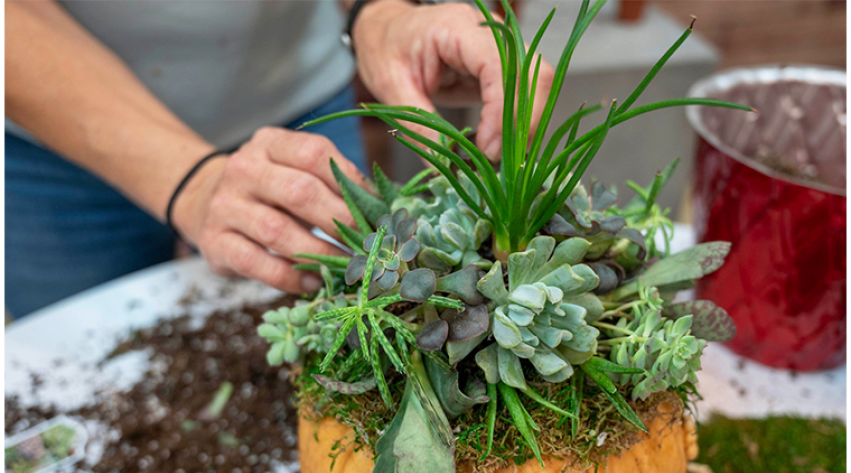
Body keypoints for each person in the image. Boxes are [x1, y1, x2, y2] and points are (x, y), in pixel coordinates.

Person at [6, 0, 554, 317]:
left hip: (299, 102)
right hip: (59, 134)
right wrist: (191, 184)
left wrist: (379, 12)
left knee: (332, 330)